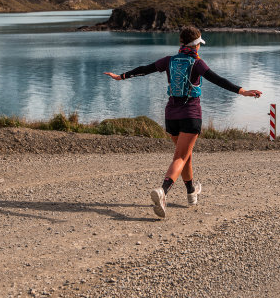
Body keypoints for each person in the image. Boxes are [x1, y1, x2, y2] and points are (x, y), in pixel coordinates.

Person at [104, 26, 262, 219]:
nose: (199, 48)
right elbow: (218, 80)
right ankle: (163, 191)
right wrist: (243, 91)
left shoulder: (169, 61)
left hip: (171, 115)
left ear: (181, 43)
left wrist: (122, 76)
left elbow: (145, 70)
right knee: (180, 156)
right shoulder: (197, 63)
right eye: (199, 44)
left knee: (185, 155)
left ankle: (191, 192)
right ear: (196, 45)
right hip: (190, 115)